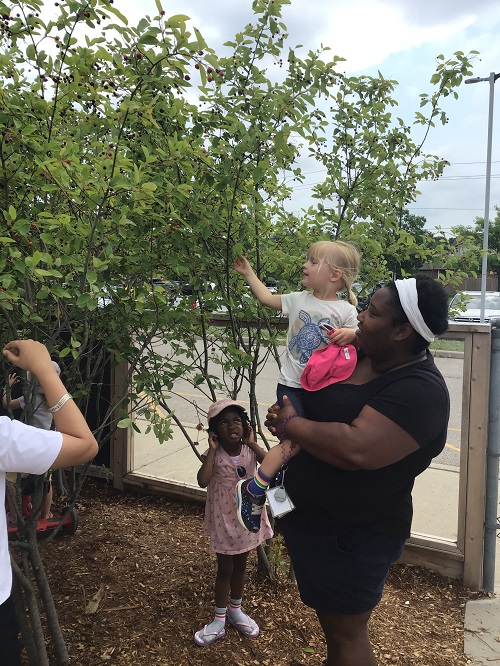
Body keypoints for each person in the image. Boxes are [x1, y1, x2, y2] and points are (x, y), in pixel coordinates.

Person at [263, 275, 450, 666]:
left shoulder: (420, 391)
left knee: (346, 635)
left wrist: (290, 425)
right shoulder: (363, 356)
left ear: (402, 330)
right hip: (317, 525)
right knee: (334, 631)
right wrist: (289, 411)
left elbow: (356, 448)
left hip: (353, 535)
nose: (360, 317)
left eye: (373, 312)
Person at [233, 241, 360, 531]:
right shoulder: (299, 299)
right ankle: (255, 488)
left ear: (334, 275)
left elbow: (360, 335)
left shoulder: (345, 310)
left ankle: (277, 478)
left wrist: (351, 334)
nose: (305, 265)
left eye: (314, 262)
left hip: (323, 387)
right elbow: (267, 298)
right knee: (297, 440)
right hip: (292, 385)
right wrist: (249, 274)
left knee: (310, 442)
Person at [0, 339, 98, 666]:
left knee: (42, 483)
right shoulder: (7, 432)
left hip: (38, 452)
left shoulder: (25, 408)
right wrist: (43, 368)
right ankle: (39, 512)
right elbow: (85, 444)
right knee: (36, 483)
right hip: (40, 450)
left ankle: (44, 513)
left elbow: (14, 404)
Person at [194, 398, 273, 647]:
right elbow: (202, 480)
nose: (232, 426)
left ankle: (236, 610)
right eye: (224, 422)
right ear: (215, 431)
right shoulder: (213, 455)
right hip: (223, 519)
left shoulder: (249, 450)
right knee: (225, 568)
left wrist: (253, 442)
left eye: (237, 420)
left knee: (241, 565)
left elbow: (271, 464)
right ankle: (218, 619)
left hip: (246, 518)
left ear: (245, 425)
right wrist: (213, 451)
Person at [3, 361, 62, 522]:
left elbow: (5, 403)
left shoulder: (30, 398)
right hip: (49, 448)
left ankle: (14, 517)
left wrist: (7, 387)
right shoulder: (57, 400)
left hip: (31, 447)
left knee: (11, 479)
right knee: (46, 481)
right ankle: (45, 515)